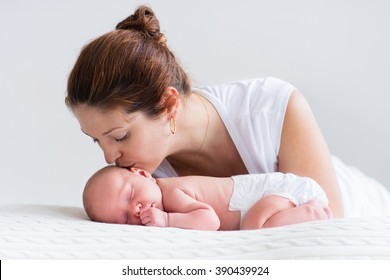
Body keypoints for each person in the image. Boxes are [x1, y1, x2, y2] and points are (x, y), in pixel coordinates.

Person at [66, 5, 390, 219]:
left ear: (168, 104)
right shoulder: (141, 184)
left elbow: (326, 219)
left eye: (119, 136)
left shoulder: (271, 108)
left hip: (368, 209)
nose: (110, 158)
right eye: (96, 141)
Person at [83, 165, 332, 230]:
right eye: (125, 218)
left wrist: (167, 220)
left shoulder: (171, 193)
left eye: (130, 194)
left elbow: (209, 221)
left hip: (275, 192)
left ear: (142, 174)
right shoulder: (163, 195)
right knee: (255, 225)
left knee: (255, 229)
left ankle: (311, 213)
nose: (135, 210)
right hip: (271, 195)